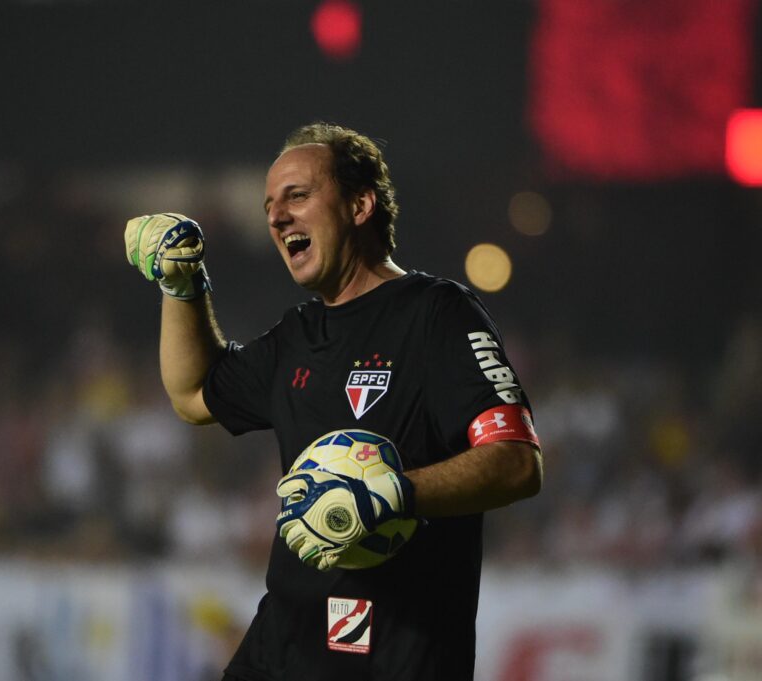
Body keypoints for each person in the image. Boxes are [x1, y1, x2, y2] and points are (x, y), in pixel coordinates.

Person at [123, 122, 543, 681]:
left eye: (297, 195)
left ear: (361, 204)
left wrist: (392, 495)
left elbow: (517, 461)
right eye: (269, 204)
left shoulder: (438, 315)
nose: (276, 216)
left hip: (396, 658)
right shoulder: (297, 335)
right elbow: (193, 395)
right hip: (281, 652)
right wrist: (181, 285)